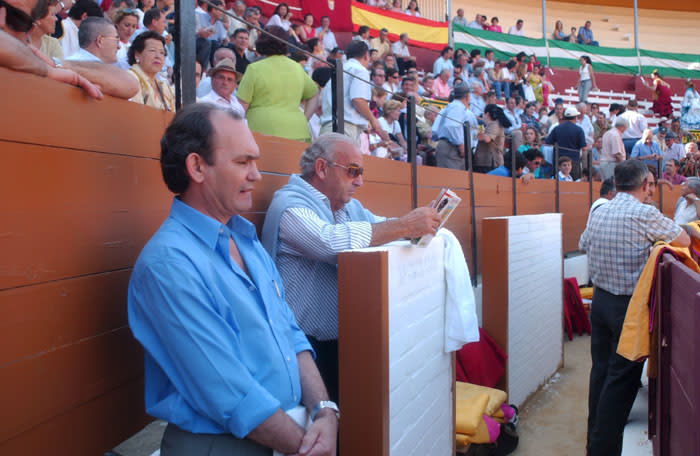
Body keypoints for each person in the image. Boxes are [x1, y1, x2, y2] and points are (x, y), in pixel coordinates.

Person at [128, 104, 339, 456]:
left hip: (283, 436)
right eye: (243, 162)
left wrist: (325, 411)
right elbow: (228, 392)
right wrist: (308, 447)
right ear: (196, 167)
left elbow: (290, 333)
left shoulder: (245, 240)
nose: (256, 175)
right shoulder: (168, 264)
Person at [261, 133, 441, 401]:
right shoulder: (289, 205)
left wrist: (418, 226)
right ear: (322, 168)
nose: (359, 181)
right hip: (300, 346)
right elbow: (329, 243)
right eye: (353, 171)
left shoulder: (347, 207)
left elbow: (381, 227)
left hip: (337, 341)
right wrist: (405, 226)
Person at [579, 159, 689, 456]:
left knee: (600, 372)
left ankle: (593, 441)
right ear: (644, 185)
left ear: (616, 183)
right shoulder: (644, 213)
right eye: (651, 186)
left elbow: (583, 242)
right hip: (628, 308)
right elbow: (684, 239)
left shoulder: (600, 209)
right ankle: (603, 450)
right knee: (622, 380)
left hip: (600, 302)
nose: (652, 191)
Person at [236, 27, 317, 142]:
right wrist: (305, 118)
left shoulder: (254, 68)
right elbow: (314, 94)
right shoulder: (297, 67)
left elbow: (240, 106)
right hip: (297, 131)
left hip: (261, 131)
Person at [320, 40, 389, 145]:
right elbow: (358, 100)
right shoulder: (360, 70)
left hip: (328, 127)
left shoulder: (339, 70)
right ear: (366, 55)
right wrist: (373, 119)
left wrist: (365, 123)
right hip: (344, 129)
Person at [431, 83, 478, 169]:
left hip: (446, 147)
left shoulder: (449, 107)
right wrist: (460, 146)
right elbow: (451, 126)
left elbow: (434, 131)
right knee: (452, 181)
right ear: (467, 96)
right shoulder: (457, 107)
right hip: (452, 148)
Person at [127, 31, 174, 111]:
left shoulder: (164, 86)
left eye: (162, 53)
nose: (158, 56)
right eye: (152, 50)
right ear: (137, 55)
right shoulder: (130, 78)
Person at [545, 106, 587, 180]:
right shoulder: (579, 130)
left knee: (557, 186)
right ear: (575, 117)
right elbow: (584, 148)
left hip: (559, 162)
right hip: (573, 163)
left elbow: (548, 142)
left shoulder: (557, 128)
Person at [474, 104, 511, 172]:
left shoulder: (494, 124)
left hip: (490, 164)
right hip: (488, 163)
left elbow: (488, 138)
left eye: (483, 114)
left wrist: (480, 135)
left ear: (487, 114)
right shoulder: (495, 124)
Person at [599, 116, 628, 181]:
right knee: (611, 186)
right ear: (622, 126)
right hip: (611, 164)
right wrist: (624, 165)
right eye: (625, 128)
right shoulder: (615, 135)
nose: (625, 130)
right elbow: (617, 154)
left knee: (605, 185)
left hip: (604, 163)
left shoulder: (607, 133)